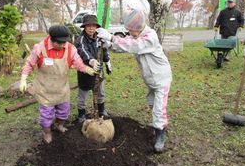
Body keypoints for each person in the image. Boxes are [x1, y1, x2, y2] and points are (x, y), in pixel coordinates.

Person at [96, 10, 172, 153]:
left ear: (140, 27)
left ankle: (160, 135)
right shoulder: (137, 37)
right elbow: (128, 45)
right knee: (152, 102)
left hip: (161, 78)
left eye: (132, 30)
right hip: (151, 79)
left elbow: (135, 46)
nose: (130, 33)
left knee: (159, 108)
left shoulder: (150, 37)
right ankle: (160, 124)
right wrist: (109, 45)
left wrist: (112, 38)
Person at [19, 25, 97, 144]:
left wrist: (88, 69)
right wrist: (23, 78)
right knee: (46, 116)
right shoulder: (40, 48)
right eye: (59, 43)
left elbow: (78, 63)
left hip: (62, 89)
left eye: (64, 42)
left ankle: (59, 125)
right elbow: (29, 63)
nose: (62, 45)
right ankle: (47, 132)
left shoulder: (70, 49)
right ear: (51, 39)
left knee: (64, 111)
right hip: (45, 90)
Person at [75, 14, 111, 122]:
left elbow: (103, 50)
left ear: (96, 27)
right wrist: (91, 60)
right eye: (88, 26)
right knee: (83, 94)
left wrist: (107, 61)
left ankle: (101, 110)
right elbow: (82, 51)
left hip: (99, 69)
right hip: (85, 71)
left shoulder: (99, 37)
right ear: (84, 27)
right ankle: (81, 114)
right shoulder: (80, 40)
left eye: (93, 26)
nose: (91, 28)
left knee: (101, 92)